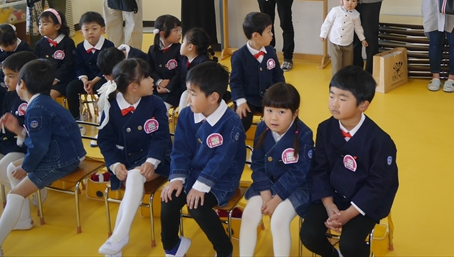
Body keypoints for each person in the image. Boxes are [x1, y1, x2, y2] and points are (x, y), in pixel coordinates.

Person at [0, 59, 85, 256]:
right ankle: (22, 218)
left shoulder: (36, 108)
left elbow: (39, 147)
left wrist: (26, 167)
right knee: (11, 169)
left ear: (22, 83)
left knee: (15, 194)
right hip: (64, 153)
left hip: (62, 158)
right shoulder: (42, 102)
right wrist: (17, 129)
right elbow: (38, 141)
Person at [300, 66, 398, 257]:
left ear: (363, 105)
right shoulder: (325, 128)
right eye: (331, 96)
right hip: (332, 194)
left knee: (350, 245)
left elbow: (377, 185)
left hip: (363, 202)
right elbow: (320, 169)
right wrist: (328, 204)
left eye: (343, 99)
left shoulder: (380, 141)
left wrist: (348, 214)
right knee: (309, 235)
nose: (334, 103)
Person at [160, 62, 246, 257]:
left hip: (221, 179)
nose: (187, 98)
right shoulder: (186, 115)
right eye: (188, 92)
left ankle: (224, 249)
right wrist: (177, 178)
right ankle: (172, 246)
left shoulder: (231, 122)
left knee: (196, 206)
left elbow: (221, 160)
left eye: (193, 93)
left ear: (213, 97)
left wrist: (201, 186)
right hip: (191, 174)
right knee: (168, 198)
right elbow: (180, 150)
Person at [96, 58, 171, 256]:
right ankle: (117, 241)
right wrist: (114, 164)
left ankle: (119, 236)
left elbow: (161, 137)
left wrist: (151, 161)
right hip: (125, 161)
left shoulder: (155, 103)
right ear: (133, 87)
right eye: (147, 77)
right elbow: (105, 141)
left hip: (157, 159)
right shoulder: (111, 106)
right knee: (132, 176)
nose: (153, 80)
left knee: (135, 175)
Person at [239, 82, 313, 257]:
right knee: (249, 215)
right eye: (269, 110)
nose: (273, 118)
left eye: (281, 112)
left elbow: (300, 172)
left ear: (295, 113)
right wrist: (266, 195)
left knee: (279, 220)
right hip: (267, 183)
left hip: (296, 187)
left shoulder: (304, 134)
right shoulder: (262, 128)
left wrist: (276, 199)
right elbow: (257, 164)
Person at [0, 52, 36, 197]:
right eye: (5, 75)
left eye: (10, 76)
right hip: (7, 142)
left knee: (0, 170)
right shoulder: (9, 95)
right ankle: (23, 191)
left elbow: (33, 135)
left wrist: (16, 129)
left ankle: (30, 189)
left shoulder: (33, 101)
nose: (5, 80)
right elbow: (6, 122)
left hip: (24, 147)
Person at [230, 12, 285, 132]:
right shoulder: (239, 56)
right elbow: (235, 82)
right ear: (256, 35)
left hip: (269, 98)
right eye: (269, 31)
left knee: (284, 116)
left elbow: (278, 75)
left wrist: (280, 94)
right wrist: (240, 102)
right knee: (241, 120)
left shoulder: (270, 51)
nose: (272, 34)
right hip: (248, 99)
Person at [64, 11, 114, 119]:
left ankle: (103, 116)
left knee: (101, 88)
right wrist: (85, 81)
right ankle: (75, 118)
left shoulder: (109, 45)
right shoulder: (80, 47)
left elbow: (108, 67)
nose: (90, 32)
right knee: (71, 88)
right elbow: (79, 66)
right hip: (85, 78)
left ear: (103, 30)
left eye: (94, 28)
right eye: (86, 29)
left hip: (102, 77)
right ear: (81, 32)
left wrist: (93, 81)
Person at [320, 0, 368, 76]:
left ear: (357, 3)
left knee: (348, 66)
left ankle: (346, 81)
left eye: (353, 1)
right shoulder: (335, 10)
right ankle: (336, 81)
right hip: (335, 43)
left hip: (348, 44)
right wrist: (323, 34)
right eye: (347, 0)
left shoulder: (356, 15)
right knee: (336, 65)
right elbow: (327, 22)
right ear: (342, 0)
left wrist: (362, 39)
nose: (350, 3)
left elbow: (358, 28)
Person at [33, 9, 75, 100]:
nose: (41, 27)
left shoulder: (67, 43)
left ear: (57, 26)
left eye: (45, 24)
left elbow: (68, 64)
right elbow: (37, 63)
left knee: (49, 96)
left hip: (62, 79)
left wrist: (56, 78)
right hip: (45, 79)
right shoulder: (39, 44)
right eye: (39, 24)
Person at [177, 27, 217, 111]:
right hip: (187, 91)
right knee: (184, 95)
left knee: (186, 96)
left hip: (201, 93)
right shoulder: (184, 59)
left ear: (190, 47)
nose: (181, 45)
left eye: (183, 42)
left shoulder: (203, 63)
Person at [147, 15, 183, 109]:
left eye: (180, 30)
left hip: (173, 91)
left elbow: (180, 72)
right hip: (155, 88)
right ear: (163, 34)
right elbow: (149, 69)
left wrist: (167, 88)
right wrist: (158, 81)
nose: (180, 34)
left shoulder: (181, 50)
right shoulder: (152, 50)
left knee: (162, 108)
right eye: (176, 31)